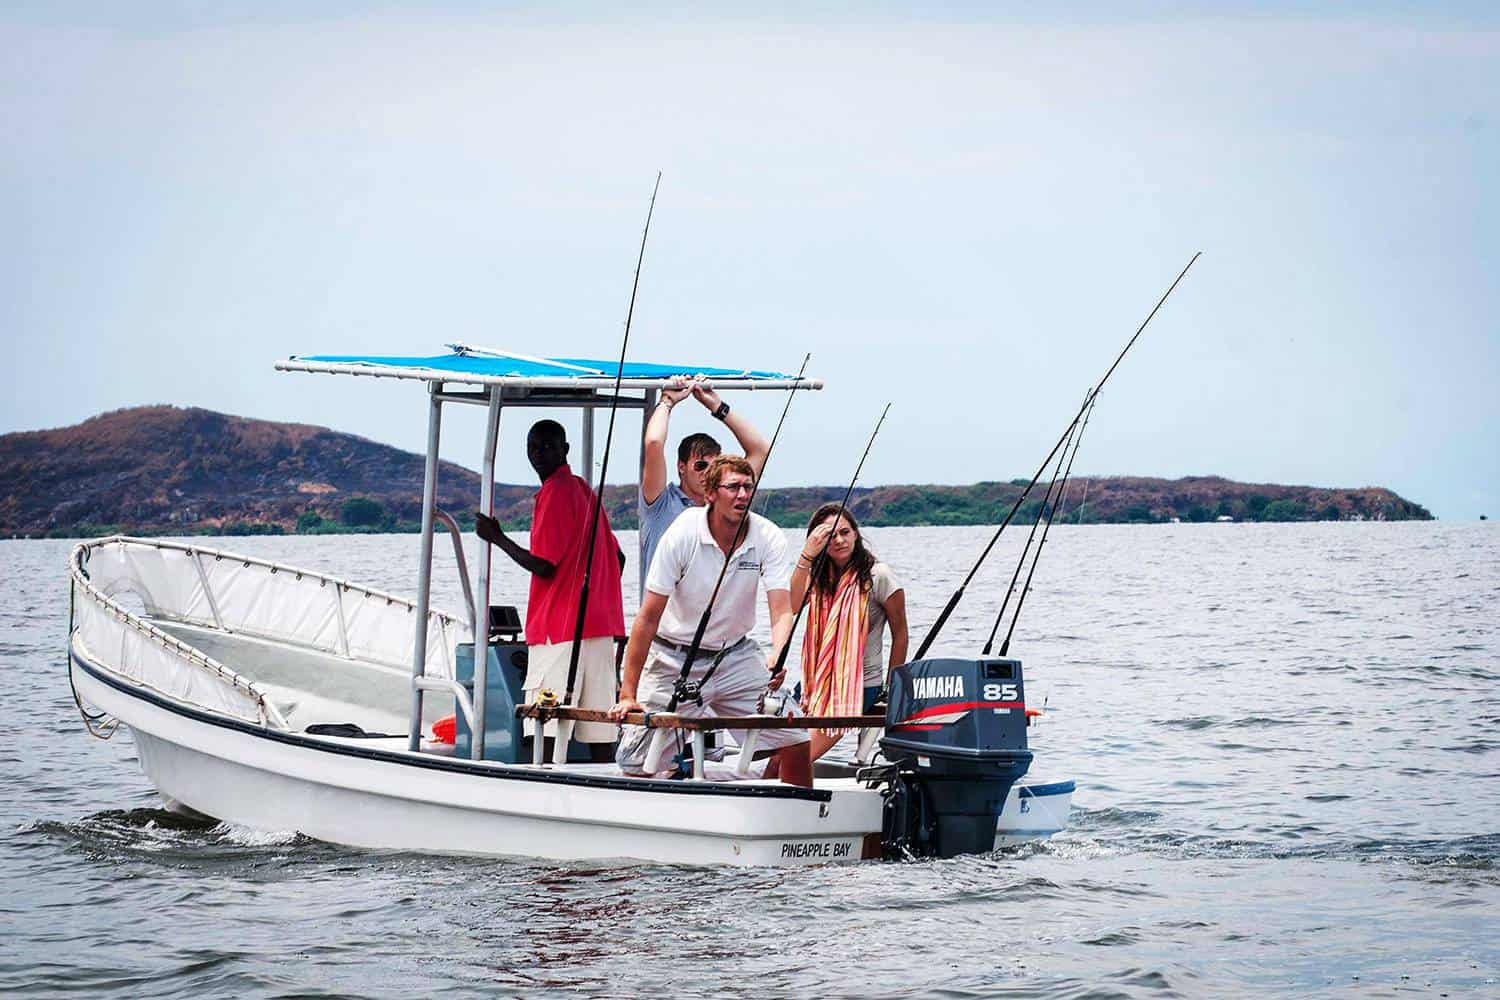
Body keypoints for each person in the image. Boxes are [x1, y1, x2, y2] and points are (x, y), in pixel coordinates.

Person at [609, 455, 812, 787]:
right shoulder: (683, 533)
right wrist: (627, 693)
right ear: (711, 494)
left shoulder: (768, 536)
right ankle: (680, 775)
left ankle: (801, 821)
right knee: (636, 764)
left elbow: (780, 608)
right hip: (673, 657)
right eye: (733, 487)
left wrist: (778, 652)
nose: (743, 495)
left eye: (748, 487)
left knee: (795, 736)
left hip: (736, 656)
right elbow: (647, 619)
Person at [475, 419, 625, 764]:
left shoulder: (556, 492)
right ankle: (605, 791)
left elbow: (544, 565)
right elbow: (618, 557)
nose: (539, 454)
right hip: (600, 629)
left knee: (547, 722)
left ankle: (545, 783)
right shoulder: (584, 490)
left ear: (565, 449)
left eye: (547, 446)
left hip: (560, 629)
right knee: (598, 723)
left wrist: (497, 538)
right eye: (533, 448)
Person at [790, 503, 908, 762]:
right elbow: (794, 604)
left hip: (859, 686)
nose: (839, 540)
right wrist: (806, 556)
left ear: (856, 533)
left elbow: (900, 634)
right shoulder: (818, 575)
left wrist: (891, 690)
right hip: (816, 682)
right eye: (830, 536)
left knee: (795, 758)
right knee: (779, 752)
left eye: (845, 532)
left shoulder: (878, 576)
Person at [638, 375, 770, 593]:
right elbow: (653, 443)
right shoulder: (660, 504)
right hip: (664, 622)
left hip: (711, 622)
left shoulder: (726, 499)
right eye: (700, 465)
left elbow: (760, 450)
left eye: (713, 465)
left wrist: (717, 406)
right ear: (682, 466)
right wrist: (667, 402)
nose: (707, 472)